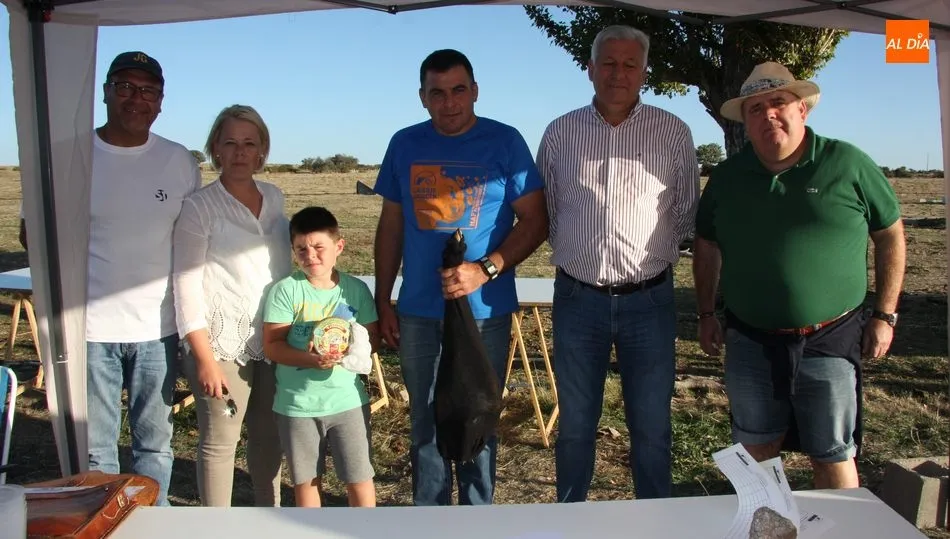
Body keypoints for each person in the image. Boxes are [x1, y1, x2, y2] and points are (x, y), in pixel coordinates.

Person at [692, 61, 906, 489]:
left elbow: (890, 235)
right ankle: (767, 527)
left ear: (802, 110)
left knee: (831, 453)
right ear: (746, 122)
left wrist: (884, 315)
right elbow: (707, 245)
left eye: (778, 102)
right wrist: (705, 313)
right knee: (756, 452)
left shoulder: (846, 163)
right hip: (750, 339)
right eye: (755, 108)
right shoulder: (728, 177)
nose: (768, 114)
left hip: (830, 335)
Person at [372, 48, 548, 506]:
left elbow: (535, 220)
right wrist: (383, 299)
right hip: (418, 312)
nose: (449, 103)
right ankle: (429, 519)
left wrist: (484, 270)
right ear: (422, 97)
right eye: (437, 93)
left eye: (458, 91)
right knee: (425, 421)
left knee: (477, 417)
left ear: (474, 91)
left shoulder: (505, 142)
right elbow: (390, 226)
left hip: (484, 313)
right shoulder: (404, 143)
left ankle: (477, 518)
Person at [536, 25, 699, 503]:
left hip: (648, 300)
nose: (618, 73)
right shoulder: (560, 132)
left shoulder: (673, 131)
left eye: (630, 64)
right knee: (575, 427)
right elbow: (544, 209)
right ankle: (570, 519)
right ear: (590, 69)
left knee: (651, 428)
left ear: (645, 72)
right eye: (608, 63)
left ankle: (656, 521)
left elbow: (686, 211)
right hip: (577, 298)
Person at [84, 51, 202, 506]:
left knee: (154, 444)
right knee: (96, 448)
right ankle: (101, 523)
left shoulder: (177, 161)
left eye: (148, 90)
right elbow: (35, 235)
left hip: (158, 329)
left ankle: (152, 523)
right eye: (126, 87)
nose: (136, 98)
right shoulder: (74, 155)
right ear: (107, 92)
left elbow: (194, 241)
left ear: (160, 101)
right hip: (90, 329)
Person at [172, 104, 288, 506]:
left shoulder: (275, 197)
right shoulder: (199, 207)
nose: (240, 152)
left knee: (269, 441)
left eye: (249, 143)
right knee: (220, 443)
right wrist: (203, 358)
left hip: (274, 340)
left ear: (262, 152)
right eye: (230, 143)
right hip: (221, 344)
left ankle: (268, 520)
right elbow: (184, 285)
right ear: (215, 150)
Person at [263, 206, 380, 508]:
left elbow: (372, 340)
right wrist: (311, 359)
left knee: (359, 478)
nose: (311, 255)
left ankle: (364, 531)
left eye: (319, 247)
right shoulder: (285, 291)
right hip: (297, 406)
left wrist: (351, 351)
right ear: (292, 251)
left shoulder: (356, 291)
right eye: (301, 249)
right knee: (306, 482)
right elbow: (273, 346)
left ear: (338, 246)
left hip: (348, 402)